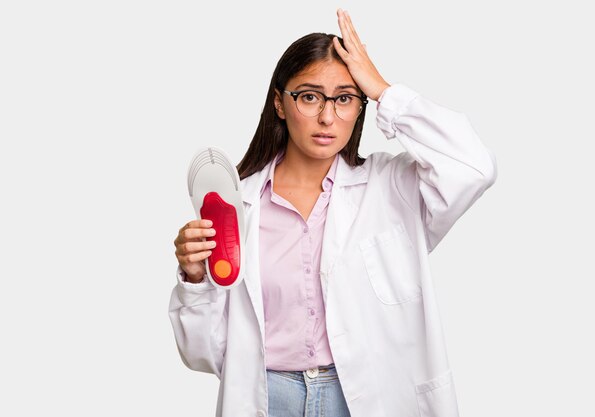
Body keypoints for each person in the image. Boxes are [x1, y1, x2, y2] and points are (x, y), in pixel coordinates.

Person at [170, 8, 497, 417]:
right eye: (309, 96)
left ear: (359, 106)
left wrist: (383, 91)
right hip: (269, 398)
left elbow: (474, 167)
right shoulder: (240, 207)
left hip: (364, 397)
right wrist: (196, 280)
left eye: (344, 98)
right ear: (279, 103)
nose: (327, 116)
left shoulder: (392, 187)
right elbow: (202, 354)